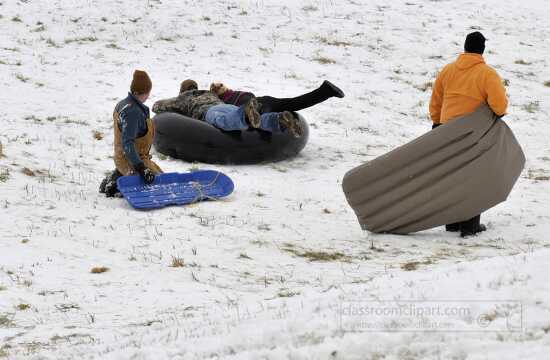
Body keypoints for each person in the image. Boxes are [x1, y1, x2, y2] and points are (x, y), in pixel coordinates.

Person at [429, 31, 508, 237]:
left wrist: (437, 123)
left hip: (446, 132)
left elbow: (436, 101)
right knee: (474, 177)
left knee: (452, 176)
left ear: (464, 47)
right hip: (473, 134)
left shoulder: (447, 71)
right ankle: (469, 225)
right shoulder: (487, 74)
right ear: (482, 49)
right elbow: (499, 106)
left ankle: (452, 223)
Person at [152, 80, 304, 137]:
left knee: (222, 121)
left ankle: (245, 113)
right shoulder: (208, 93)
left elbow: (157, 106)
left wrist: (176, 106)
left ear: (182, 90)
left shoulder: (183, 98)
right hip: (227, 106)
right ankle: (279, 120)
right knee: (255, 121)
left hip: (209, 112)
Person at [100, 70, 163, 197]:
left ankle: (119, 175)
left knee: (162, 176)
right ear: (144, 92)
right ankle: (117, 183)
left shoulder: (124, 104)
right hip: (131, 159)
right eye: (147, 92)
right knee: (158, 184)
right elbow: (127, 142)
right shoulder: (133, 112)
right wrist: (141, 168)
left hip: (130, 156)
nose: (148, 95)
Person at [209, 80, 345, 113]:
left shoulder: (224, 101)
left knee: (293, 105)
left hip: (257, 108)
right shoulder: (237, 93)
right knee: (293, 103)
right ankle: (326, 90)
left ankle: (326, 91)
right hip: (265, 100)